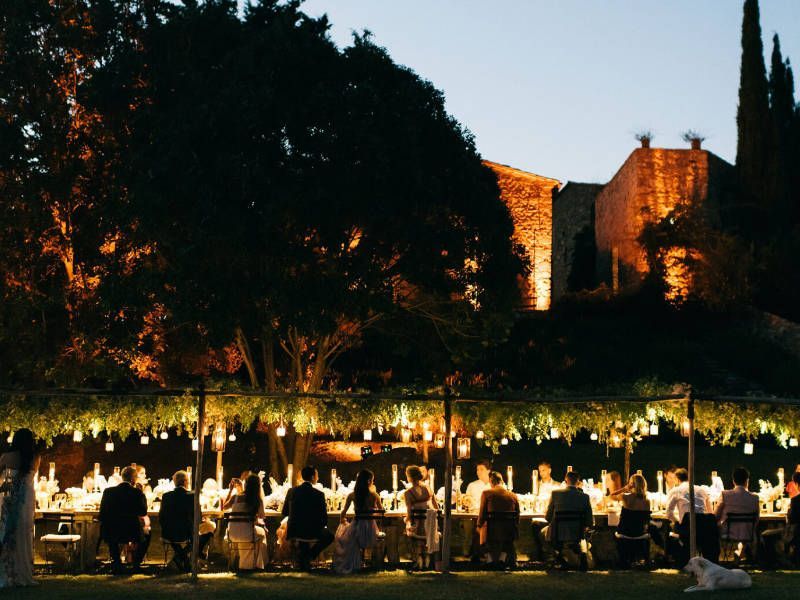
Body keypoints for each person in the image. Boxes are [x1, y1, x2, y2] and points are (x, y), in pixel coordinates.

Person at [0, 429, 39, 588]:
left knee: (8, 534)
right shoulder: (35, 458)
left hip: (10, 500)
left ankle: (8, 573)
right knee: (23, 535)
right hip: (26, 500)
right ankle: (24, 571)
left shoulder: (7, 457)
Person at [159, 470, 214, 571]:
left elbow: (161, 516)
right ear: (185, 482)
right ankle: (182, 558)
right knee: (208, 532)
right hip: (186, 533)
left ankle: (180, 558)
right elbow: (198, 517)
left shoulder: (166, 496)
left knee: (186, 535)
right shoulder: (192, 496)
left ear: (175, 482)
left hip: (168, 533)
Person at [99, 465, 149, 571]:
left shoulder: (108, 492)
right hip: (132, 531)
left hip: (111, 530)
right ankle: (136, 563)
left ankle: (116, 562)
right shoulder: (137, 492)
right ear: (133, 479)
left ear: (122, 477)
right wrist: (141, 493)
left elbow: (102, 513)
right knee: (147, 535)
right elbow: (143, 512)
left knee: (113, 538)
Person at [334, 469, 384, 574]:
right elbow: (381, 511)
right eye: (372, 480)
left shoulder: (352, 495)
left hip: (356, 529)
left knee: (345, 534)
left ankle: (356, 562)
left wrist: (342, 520)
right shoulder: (374, 495)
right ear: (369, 481)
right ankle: (371, 561)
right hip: (371, 530)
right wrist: (373, 516)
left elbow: (343, 512)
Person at [284, 466, 333, 570]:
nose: (318, 478)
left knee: (303, 539)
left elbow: (284, 512)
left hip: (294, 530)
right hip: (312, 531)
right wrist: (319, 525)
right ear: (312, 477)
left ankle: (304, 558)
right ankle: (310, 555)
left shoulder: (291, 491)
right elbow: (324, 518)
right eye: (317, 475)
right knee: (329, 536)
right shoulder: (319, 494)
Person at [666, 468, 716, 564]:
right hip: (704, 529)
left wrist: (677, 522)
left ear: (676, 479)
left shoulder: (675, 490)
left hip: (687, 529)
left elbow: (668, 512)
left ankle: (674, 557)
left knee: (671, 528)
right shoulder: (702, 490)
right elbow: (710, 512)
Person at [476, 471, 519, 567]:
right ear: (502, 481)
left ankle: (489, 559)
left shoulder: (486, 493)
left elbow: (482, 513)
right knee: (507, 536)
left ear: (491, 481)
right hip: (509, 531)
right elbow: (517, 516)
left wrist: (478, 525)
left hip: (491, 530)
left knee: (478, 530)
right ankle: (502, 559)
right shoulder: (513, 496)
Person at [227, 473, 268, 570]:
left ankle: (245, 563)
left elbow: (223, 507)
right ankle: (260, 565)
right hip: (248, 534)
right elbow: (262, 516)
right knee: (262, 533)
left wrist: (230, 491)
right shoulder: (257, 500)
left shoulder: (236, 497)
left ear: (246, 484)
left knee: (257, 533)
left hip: (232, 534)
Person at [404, 465, 439, 570]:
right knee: (422, 526)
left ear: (410, 477)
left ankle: (418, 559)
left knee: (407, 526)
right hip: (431, 524)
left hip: (418, 525)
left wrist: (406, 520)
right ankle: (427, 559)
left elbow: (409, 514)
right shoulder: (428, 488)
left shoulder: (408, 493)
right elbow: (436, 507)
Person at [715, 467, 759, 542]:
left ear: (733, 481)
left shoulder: (724, 494)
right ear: (747, 481)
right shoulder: (755, 497)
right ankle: (743, 551)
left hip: (727, 534)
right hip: (748, 534)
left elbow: (716, 516)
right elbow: (756, 519)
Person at [463, 459, 492, 561]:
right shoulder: (472, 485)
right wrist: (467, 502)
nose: (478, 472)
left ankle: (483, 551)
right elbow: (466, 500)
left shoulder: (492, 485)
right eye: (477, 470)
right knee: (471, 525)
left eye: (481, 469)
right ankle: (471, 550)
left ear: (488, 471)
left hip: (488, 515)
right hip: (473, 514)